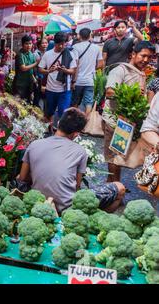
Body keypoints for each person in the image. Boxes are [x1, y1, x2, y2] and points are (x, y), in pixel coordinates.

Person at [18, 108, 125, 215]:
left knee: (21, 175)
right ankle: (94, 217)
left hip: (39, 202)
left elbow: (21, 179)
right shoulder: (80, 151)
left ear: (59, 123)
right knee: (120, 188)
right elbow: (76, 187)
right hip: (66, 208)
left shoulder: (35, 144)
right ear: (75, 134)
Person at [104, 41, 155, 183]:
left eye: (149, 57)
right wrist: (130, 92)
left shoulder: (141, 73)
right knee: (114, 156)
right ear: (133, 54)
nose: (146, 60)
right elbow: (109, 92)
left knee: (118, 154)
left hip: (126, 122)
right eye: (143, 55)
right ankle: (114, 187)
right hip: (114, 121)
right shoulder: (120, 70)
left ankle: (113, 184)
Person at [38, 32, 77, 130]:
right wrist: (48, 71)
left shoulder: (70, 54)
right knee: (49, 112)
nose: (62, 46)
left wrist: (64, 70)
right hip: (51, 89)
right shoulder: (48, 54)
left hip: (64, 90)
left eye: (64, 43)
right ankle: (49, 129)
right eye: (59, 44)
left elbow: (73, 70)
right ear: (54, 43)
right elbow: (40, 68)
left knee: (63, 112)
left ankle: (60, 131)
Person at [71, 28, 104, 117]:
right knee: (88, 102)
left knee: (75, 102)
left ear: (79, 36)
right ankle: (86, 123)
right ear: (90, 35)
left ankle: (74, 121)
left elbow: (75, 65)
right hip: (90, 80)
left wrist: (73, 81)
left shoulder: (75, 47)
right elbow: (101, 64)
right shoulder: (96, 48)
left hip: (78, 81)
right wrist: (92, 67)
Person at [13, 35, 39, 104]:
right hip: (20, 84)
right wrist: (36, 63)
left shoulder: (31, 54)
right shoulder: (20, 54)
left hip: (29, 84)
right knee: (18, 104)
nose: (29, 45)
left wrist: (34, 79)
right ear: (22, 44)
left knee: (27, 104)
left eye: (30, 43)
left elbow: (31, 70)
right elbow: (23, 68)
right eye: (26, 43)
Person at [33, 38, 49, 108]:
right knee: (37, 96)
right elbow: (34, 67)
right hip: (38, 78)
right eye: (43, 43)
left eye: (46, 43)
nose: (45, 44)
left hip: (46, 78)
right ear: (39, 45)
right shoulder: (36, 54)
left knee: (45, 96)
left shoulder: (47, 53)